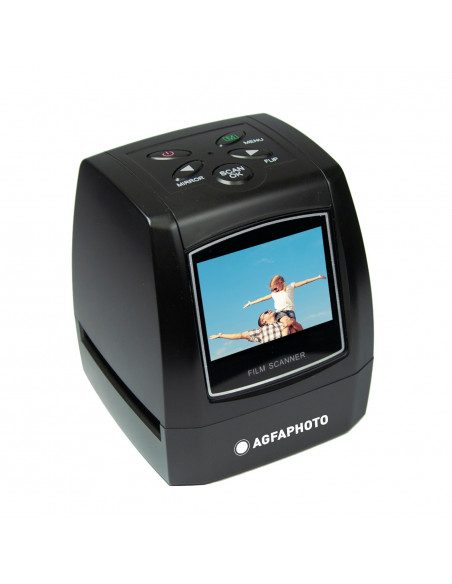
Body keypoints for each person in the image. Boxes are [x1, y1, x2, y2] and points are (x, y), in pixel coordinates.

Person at [243, 274, 326, 336]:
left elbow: (305, 281)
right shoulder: (274, 294)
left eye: (275, 288)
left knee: (293, 329)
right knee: (286, 325)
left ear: (280, 282)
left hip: (291, 312)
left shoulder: (290, 287)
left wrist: (317, 277)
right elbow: (262, 299)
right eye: (272, 290)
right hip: (280, 312)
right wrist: (251, 303)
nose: (274, 291)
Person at [209, 310, 296, 345]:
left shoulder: (284, 322)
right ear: (264, 322)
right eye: (266, 312)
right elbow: (240, 335)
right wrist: (221, 335)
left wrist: (291, 322)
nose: (269, 310)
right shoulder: (261, 331)